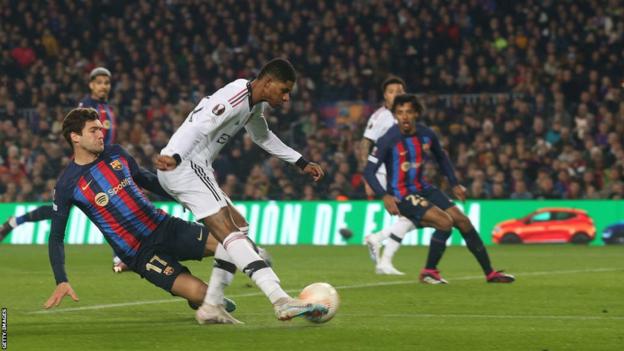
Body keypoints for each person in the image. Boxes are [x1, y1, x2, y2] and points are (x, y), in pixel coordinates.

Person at [44, 107, 328, 325]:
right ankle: (204, 301)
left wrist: (183, 196)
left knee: (232, 243)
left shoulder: (116, 154)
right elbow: (56, 236)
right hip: (140, 254)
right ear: (75, 137)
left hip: (166, 227)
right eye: (93, 130)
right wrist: (61, 279)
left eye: (101, 128)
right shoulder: (68, 185)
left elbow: (146, 179)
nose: (100, 133)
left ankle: (275, 292)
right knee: (205, 297)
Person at [155, 57, 327, 322]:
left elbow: (261, 135)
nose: (286, 98)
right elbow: (198, 125)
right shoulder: (234, 98)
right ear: (268, 82)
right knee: (230, 231)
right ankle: (280, 299)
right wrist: (174, 154)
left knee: (239, 227)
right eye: (284, 90)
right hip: (186, 165)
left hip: (192, 167)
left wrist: (300, 162)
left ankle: (212, 305)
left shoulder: (251, 103)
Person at [363, 94, 515, 284]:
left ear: (417, 113)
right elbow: (369, 172)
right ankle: (429, 271)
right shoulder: (388, 140)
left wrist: (454, 184)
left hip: (423, 188)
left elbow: (442, 158)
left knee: (463, 221)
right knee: (445, 223)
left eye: (409, 112)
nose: (404, 117)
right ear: (395, 115)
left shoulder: (427, 134)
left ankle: (490, 273)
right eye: (400, 113)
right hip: (402, 194)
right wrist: (384, 196)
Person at [0, 68, 118, 257]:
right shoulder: (87, 107)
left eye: (107, 82)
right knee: (68, 208)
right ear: (91, 85)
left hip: (100, 165)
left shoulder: (107, 108)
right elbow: (76, 134)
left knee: (106, 204)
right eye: (99, 82)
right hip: (87, 167)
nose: (103, 86)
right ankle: (120, 256)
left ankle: (14, 222)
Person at [357, 76, 415, 275]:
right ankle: (382, 254)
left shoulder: (406, 116)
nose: (397, 94)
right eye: (392, 91)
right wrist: (366, 176)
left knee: (411, 217)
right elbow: (365, 143)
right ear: (385, 96)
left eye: (400, 90)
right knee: (412, 216)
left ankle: (379, 247)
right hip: (385, 173)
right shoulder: (381, 116)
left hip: (401, 174)